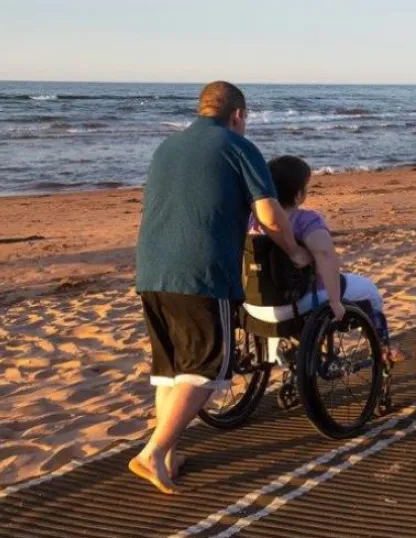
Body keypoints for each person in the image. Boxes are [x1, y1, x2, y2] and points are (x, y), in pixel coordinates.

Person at [131, 81, 311, 494]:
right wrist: (294, 251)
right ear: (238, 115)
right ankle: (153, 452)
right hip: (202, 273)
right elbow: (270, 215)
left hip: (152, 270)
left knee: (170, 370)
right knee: (207, 369)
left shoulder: (166, 148)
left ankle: (169, 456)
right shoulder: (238, 147)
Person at [244, 155, 405, 363]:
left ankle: (282, 346)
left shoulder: (253, 219)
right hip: (298, 303)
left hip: (256, 306)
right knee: (371, 293)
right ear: (299, 195)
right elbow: (325, 256)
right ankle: (382, 348)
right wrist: (335, 302)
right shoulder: (306, 220)